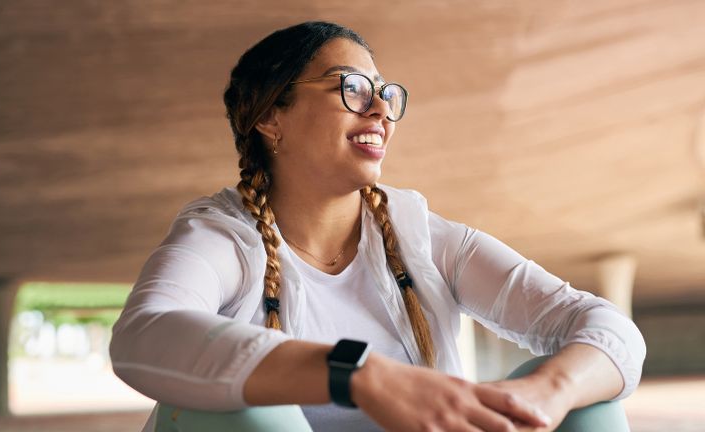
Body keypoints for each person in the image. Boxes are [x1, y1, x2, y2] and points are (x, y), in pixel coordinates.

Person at [109, 21, 646, 432]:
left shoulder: (425, 238)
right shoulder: (223, 237)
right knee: (236, 412)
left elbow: (607, 328)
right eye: (353, 89)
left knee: (589, 401)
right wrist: (360, 374)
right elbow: (144, 334)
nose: (381, 113)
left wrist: (545, 395)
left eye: (385, 95)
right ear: (272, 117)